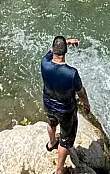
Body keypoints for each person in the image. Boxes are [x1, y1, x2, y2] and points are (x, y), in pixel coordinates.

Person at [41, 37, 90, 174]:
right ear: (66, 51)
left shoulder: (44, 63)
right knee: (65, 140)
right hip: (65, 111)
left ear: (53, 49)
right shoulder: (71, 73)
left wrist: (65, 42)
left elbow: (50, 52)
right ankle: (59, 170)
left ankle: (51, 144)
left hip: (48, 104)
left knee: (51, 123)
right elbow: (81, 92)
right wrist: (86, 104)